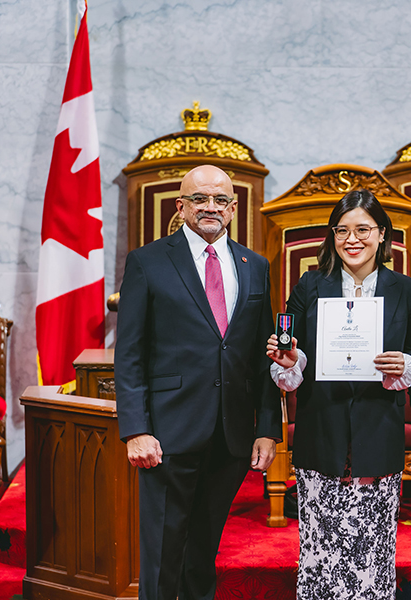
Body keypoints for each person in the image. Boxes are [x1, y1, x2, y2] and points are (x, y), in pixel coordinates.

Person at [115, 164, 281, 600]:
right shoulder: (148, 261)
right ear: (181, 205)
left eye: (221, 200)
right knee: (163, 552)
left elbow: (262, 356)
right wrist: (135, 429)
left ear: (233, 208)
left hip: (230, 435)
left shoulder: (255, 265)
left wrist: (267, 427)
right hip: (167, 434)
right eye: (200, 199)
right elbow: (129, 352)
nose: (211, 207)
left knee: (204, 548)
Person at [266, 189, 411, 599]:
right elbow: (291, 348)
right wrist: (289, 361)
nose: (352, 239)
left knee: (372, 552)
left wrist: (405, 364)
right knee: (321, 551)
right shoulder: (310, 286)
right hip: (323, 428)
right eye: (342, 230)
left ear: (382, 234)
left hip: (379, 429)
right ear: (332, 236)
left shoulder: (406, 289)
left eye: (363, 229)